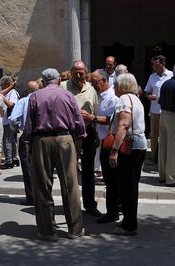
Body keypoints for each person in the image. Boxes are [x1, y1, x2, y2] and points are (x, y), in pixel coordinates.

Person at [24, 68, 85, 241]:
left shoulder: (35, 96)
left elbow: (29, 124)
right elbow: (78, 123)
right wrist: (78, 141)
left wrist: (28, 144)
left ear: (43, 81)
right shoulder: (68, 96)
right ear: (59, 80)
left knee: (43, 187)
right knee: (70, 185)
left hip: (41, 141)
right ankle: (75, 229)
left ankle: (47, 231)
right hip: (65, 139)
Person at [60, 60, 101, 217]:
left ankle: (90, 205)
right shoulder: (63, 87)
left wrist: (91, 117)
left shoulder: (91, 89)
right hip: (68, 133)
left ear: (86, 73)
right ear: (70, 72)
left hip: (87, 133)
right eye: (75, 72)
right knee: (68, 171)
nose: (78, 75)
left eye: (81, 72)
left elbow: (95, 111)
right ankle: (70, 205)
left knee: (89, 171)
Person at [108, 73, 147, 235]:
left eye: (116, 85)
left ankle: (130, 225)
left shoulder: (124, 99)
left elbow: (124, 124)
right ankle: (129, 221)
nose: (114, 87)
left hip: (129, 146)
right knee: (131, 186)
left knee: (127, 187)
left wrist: (114, 150)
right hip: (139, 145)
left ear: (122, 86)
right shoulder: (136, 99)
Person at [86, 70, 119, 223]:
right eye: (91, 82)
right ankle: (115, 208)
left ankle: (113, 211)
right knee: (109, 178)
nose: (92, 84)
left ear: (104, 80)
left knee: (111, 180)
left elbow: (113, 120)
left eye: (94, 82)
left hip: (109, 141)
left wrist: (92, 118)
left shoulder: (112, 98)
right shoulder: (98, 96)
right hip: (100, 140)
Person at [9, 80, 40, 206]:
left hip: (27, 137)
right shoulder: (41, 100)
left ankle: (31, 197)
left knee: (27, 168)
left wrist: (16, 128)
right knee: (40, 167)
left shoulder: (23, 101)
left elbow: (14, 118)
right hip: (40, 136)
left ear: (27, 90)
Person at [144, 55, 173, 164]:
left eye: (156, 65)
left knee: (166, 134)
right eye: (153, 65)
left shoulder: (171, 75)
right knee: (154, 134)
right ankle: (154, 156)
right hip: (155, 110)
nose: (154, 67)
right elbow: (147, 92)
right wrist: (149, 96)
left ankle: (165, 156)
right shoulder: (152, 77)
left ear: (163, 64)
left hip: (168, 110)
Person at [0, 76, 20, 169]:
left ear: (6, 84)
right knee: (11, 140)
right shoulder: (8, 92)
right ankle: (14, 158)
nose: (0, 86)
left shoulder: (13, 93)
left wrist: (3, 98)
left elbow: (11, 104)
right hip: (6, 120)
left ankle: (9, 161)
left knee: (7, 141)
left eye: (2, 84)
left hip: (9, 121)